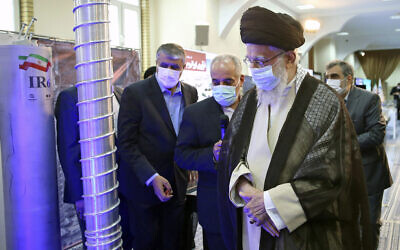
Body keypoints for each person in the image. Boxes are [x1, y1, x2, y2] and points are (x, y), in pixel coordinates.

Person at [217, 6, 372, 250]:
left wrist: (269, 204)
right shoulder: (249, 100)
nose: (254, 69)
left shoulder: (323, 102)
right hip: (251, 220)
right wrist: (245, 190)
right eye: (250, 61)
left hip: (300, 230)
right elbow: (233, 153)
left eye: (260, 61)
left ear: (289, 58)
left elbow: (331, 173)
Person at [117, 43, 198, 250]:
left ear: (184, 67)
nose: (169, 71)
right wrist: (151, 177)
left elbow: (187, 135)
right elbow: (127, 143)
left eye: (175, 67)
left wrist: (191, 162)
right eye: (164, 65)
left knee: (174, 241)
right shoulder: (135, 93)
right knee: (147, 242)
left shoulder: (190, 93)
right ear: (156, 63)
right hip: (143, 187)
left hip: (177, 183)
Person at [175, 54, 244, 250]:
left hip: (251, 208)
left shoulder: (256, 108)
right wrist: (211, 155)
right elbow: (182, 155)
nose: (221, 86)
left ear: (241, 80)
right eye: (216, 81)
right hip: (215, 207)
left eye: (228, 81)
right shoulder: (196, 113)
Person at [55, 85, 132, 249]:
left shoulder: (120, 92)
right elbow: (68, 149)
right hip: (92, 191)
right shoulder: (71, 97)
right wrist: (80, 196)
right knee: (97, 241)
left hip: (125, 186)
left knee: (126, 237)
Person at [326, 60, 392, 249]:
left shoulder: (369, 99)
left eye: (334, 77)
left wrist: (343, 144)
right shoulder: (326, 100)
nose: (330, 81)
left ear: (348, 79)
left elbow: (376, 134)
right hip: (337, 174)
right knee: (344, 222)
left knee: (369, 223)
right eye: (327, 77)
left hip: (368, 173)